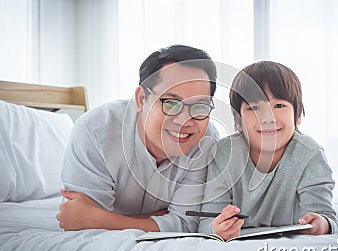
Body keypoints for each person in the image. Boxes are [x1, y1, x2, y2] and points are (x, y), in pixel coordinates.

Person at [57, 45, 219, 232]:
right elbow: (80, 221)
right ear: (142, 99)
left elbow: (187, 223)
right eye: (171, 103)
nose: (184, 120)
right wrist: (163, 216)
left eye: (199, 105)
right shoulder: (95, 130)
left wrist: (104, 219)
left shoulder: (207, 139)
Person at [198, 61, 338, 240]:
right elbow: (206, 221)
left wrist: (320, 223)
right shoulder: (224, 154)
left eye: (279, 106)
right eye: (254, 108)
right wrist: (217, 228)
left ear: (297, 116)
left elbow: (325, 215)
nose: (268, 117)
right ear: (238, 121)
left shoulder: (309, 154)